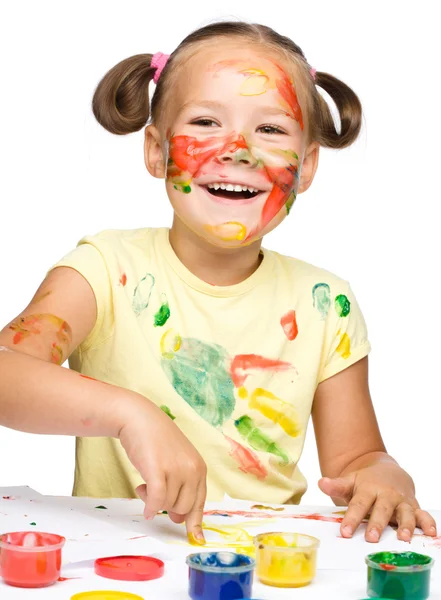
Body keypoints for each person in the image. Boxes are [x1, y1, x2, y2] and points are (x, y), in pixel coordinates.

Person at [0, 21, 436, 547]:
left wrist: (384, 476)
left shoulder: (327, 305)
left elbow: (355, 459)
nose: (238, 149)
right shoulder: (103, 269)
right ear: (157, 151)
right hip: (123, 560)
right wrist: (128, 414)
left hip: (260, 565)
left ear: (306, 166)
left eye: (271, 130)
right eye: (206, 122)